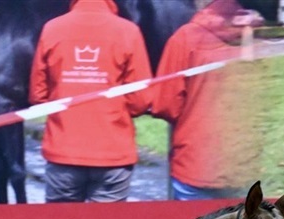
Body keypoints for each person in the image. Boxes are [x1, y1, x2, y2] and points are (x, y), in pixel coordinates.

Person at [28, 0, 152, 203]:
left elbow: (38, 94)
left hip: (63, 151)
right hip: (112, 153)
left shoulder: (52, 29)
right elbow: (141, 100)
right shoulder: (128, 31)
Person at [152, 0, 263, 200]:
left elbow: (165, 104)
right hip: (242, 164)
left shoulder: (185, 39)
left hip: (195, 162)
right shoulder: (254, 37)